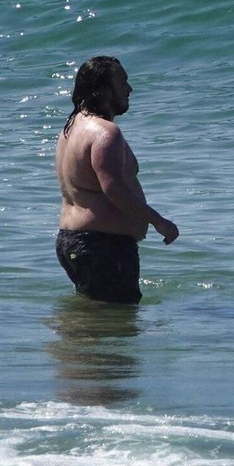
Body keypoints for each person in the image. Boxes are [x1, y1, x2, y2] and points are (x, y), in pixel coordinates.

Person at [54, 56, 179, 304]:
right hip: (102, 246)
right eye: (123, 83)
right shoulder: (105, 132)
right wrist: (159, 222)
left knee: (95, 323)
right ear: (102, 91)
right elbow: (113, 187)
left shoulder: (70, 130)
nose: (129, 90)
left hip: (73, 241)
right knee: (118, 329)